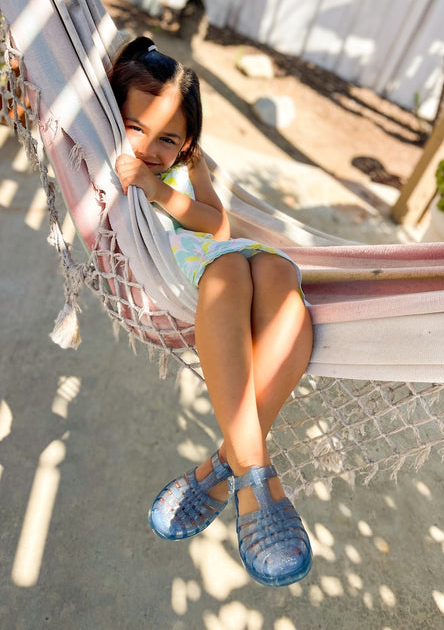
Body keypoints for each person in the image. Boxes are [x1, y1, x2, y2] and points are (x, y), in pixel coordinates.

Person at [111, 37, 314, 587]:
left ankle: (225, 466)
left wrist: (158, 186)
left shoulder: (183, 165)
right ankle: (255, 480)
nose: (151, 148)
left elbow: (217, 225)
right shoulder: (110, 159)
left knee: (278, 273)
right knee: (230, 275)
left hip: (216, 251)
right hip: (178, 270)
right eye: (136, 129)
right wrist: (145, 184)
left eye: (168, 139)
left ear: (187, 142)